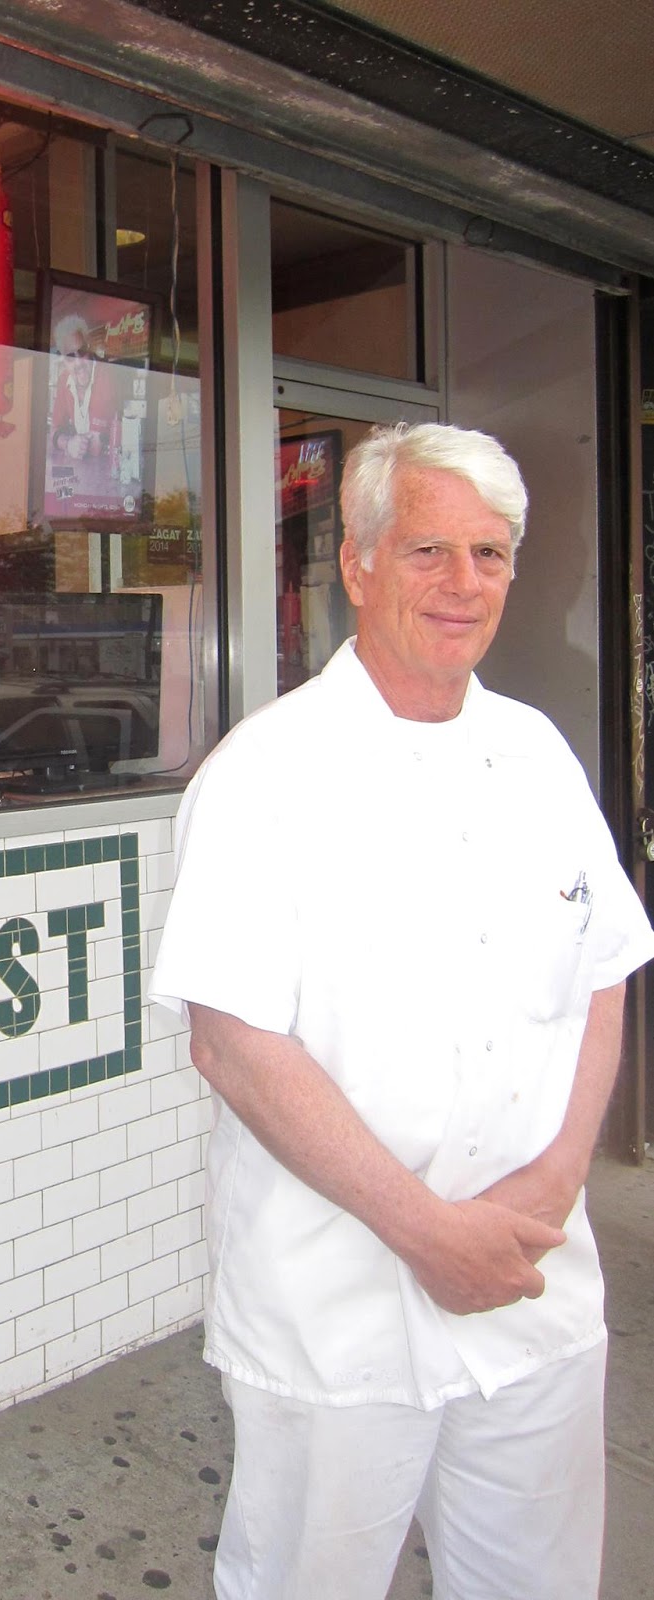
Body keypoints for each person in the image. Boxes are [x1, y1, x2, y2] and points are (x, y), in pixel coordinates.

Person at [149, 422, 654, 1600]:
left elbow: (604, 968)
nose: (462, 582)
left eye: (489, 553)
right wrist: (427, 1230)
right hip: (340, 1308)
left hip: (532, 1285)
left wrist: (555, 1182)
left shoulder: (537, 754)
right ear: (358, 563)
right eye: (428, 549)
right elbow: (232, 1043)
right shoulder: (263, 774)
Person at [48, 313, 119, 462]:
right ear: (63, 360)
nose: (78, 362)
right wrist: (68, 443)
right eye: (70, 357)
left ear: (89, 348)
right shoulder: (63, 380)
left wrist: (67, 441)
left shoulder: (105, 374)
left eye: (81, 352)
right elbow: (54, 430)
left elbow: (95, 447)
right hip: (85, 467)